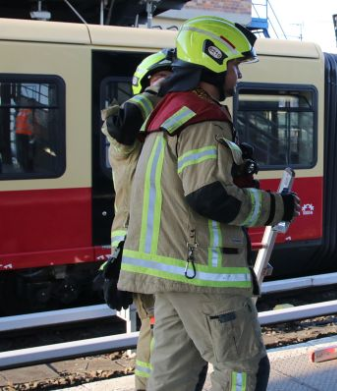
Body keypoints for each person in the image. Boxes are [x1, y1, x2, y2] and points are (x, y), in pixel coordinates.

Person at [117, 16, 300, 391]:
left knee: (172, 377)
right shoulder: (204, 117)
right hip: (201, 273)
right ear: (213, 61)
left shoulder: (166, 113)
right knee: (241, 367)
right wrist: (278, 206)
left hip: (170, 274)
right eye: (233, 66)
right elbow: (208, 196)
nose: (237, 77)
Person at [100, 48, 174, 391]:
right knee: (158, 329)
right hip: (140, 248)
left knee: (164, 329)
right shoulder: (126, 136)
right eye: (165, 80)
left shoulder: (165, 132)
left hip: (162, 246)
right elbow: (121, 122)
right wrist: (160, 88)